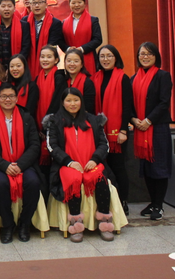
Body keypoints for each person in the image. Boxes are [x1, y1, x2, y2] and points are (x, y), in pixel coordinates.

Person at [44, 88, 115, 242]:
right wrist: (69, 162)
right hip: (67, 165)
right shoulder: (55, 121)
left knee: (101, 180)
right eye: (68, 100)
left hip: (91, 164)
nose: (73, 104)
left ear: (81, 101)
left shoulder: (94, 120)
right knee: (73, 180)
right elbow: (52, 146)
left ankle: (105, 221)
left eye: (76, 100)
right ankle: (76, 223)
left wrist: (95, 159)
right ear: (62, 102)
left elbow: (104, 144)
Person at [0, 83, 42, 243]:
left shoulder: (26, 117)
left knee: (33, 182)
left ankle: (24, 224)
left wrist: (20, 165)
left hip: (23, 164)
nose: (7, 99)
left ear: (17, 98)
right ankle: (8, 224)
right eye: (4, 96)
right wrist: (5, 166)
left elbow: (35, 145)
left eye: (11, 96)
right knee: (0, 184)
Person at [131, 42, 173, 222]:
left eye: (149, 54)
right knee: (147, 167)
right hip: (140, 128)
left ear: (156, 56)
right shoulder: (133, 78)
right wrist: (133, 120)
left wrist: (148, 121)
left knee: (159, 166)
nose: (145, 57)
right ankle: (152, 202)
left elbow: (164, 102)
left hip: (157, 128)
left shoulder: (163, 76)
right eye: (142, 54)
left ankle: (159, 205)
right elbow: (129, 103)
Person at [91, 44, 133, 215]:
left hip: (117, 133)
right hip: (99, 132)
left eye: (109, 56)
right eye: (102, 56)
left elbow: (127, 106)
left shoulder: (123, 78)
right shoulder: (95, 78)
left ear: (116, 58)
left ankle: (123, 201)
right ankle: (105, 202)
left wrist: (123, 130)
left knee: (118, 167)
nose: (105, 59)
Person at [35, 45, 67, 172]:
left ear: (56, 60)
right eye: (42, 57)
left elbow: (57, 102)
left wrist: (46, 126)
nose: (45, 60)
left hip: (54, 124)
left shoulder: (59, 77)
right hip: (39, 125)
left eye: (49, 57)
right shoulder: (38, 78)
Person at [62, 0, 102, 75]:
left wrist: (82, 49)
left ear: (84, 3)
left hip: (88, 56)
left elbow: (98, 39)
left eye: (79, 2)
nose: (76, 5)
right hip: (71, 59)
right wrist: (68, 49)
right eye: (73, 3)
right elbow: (61, 41)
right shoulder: (64, 22)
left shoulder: (93, 20)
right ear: (69, 5)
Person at [27, 0, 65, 73]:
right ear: (30, 5)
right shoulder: (25, 21)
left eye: (40, 2)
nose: (37, 5)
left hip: (46, 62)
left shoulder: (55, 23)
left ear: (46, 5)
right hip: (28, 62)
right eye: (34, 3)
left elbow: (51, 44)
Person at [0, 0, 31, 68]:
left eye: (9, 6)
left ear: (14, 8)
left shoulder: (24, 26)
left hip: (17, 66)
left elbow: (26, 47)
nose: (6, 9)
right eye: (3, 6)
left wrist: (16, 64)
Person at [63, 48, 96, 114]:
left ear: (81, 64)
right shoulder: (63, 80)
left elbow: (89, 107)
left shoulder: (87, 82)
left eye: (76, 61)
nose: (72, 64)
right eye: (69, 61)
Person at [8, 54, 38, 118]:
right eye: (12, 66)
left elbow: (30, 110)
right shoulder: (6, 86)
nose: (15, 69)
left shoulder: (32, 86)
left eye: (18, 66)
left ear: (24, 67)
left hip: (25, 121)